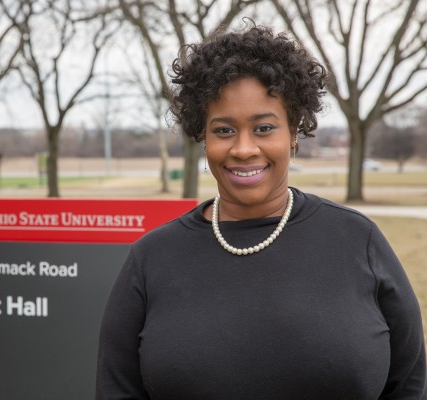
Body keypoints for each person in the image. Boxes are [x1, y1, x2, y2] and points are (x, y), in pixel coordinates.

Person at [96, 21, 426, 399]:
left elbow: (410, 383)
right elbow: (116, 389)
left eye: (264, 128)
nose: (243, 148)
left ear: (294, 134)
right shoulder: (151, 258)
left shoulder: (357, 241)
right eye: (223, 130)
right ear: (202, 137)